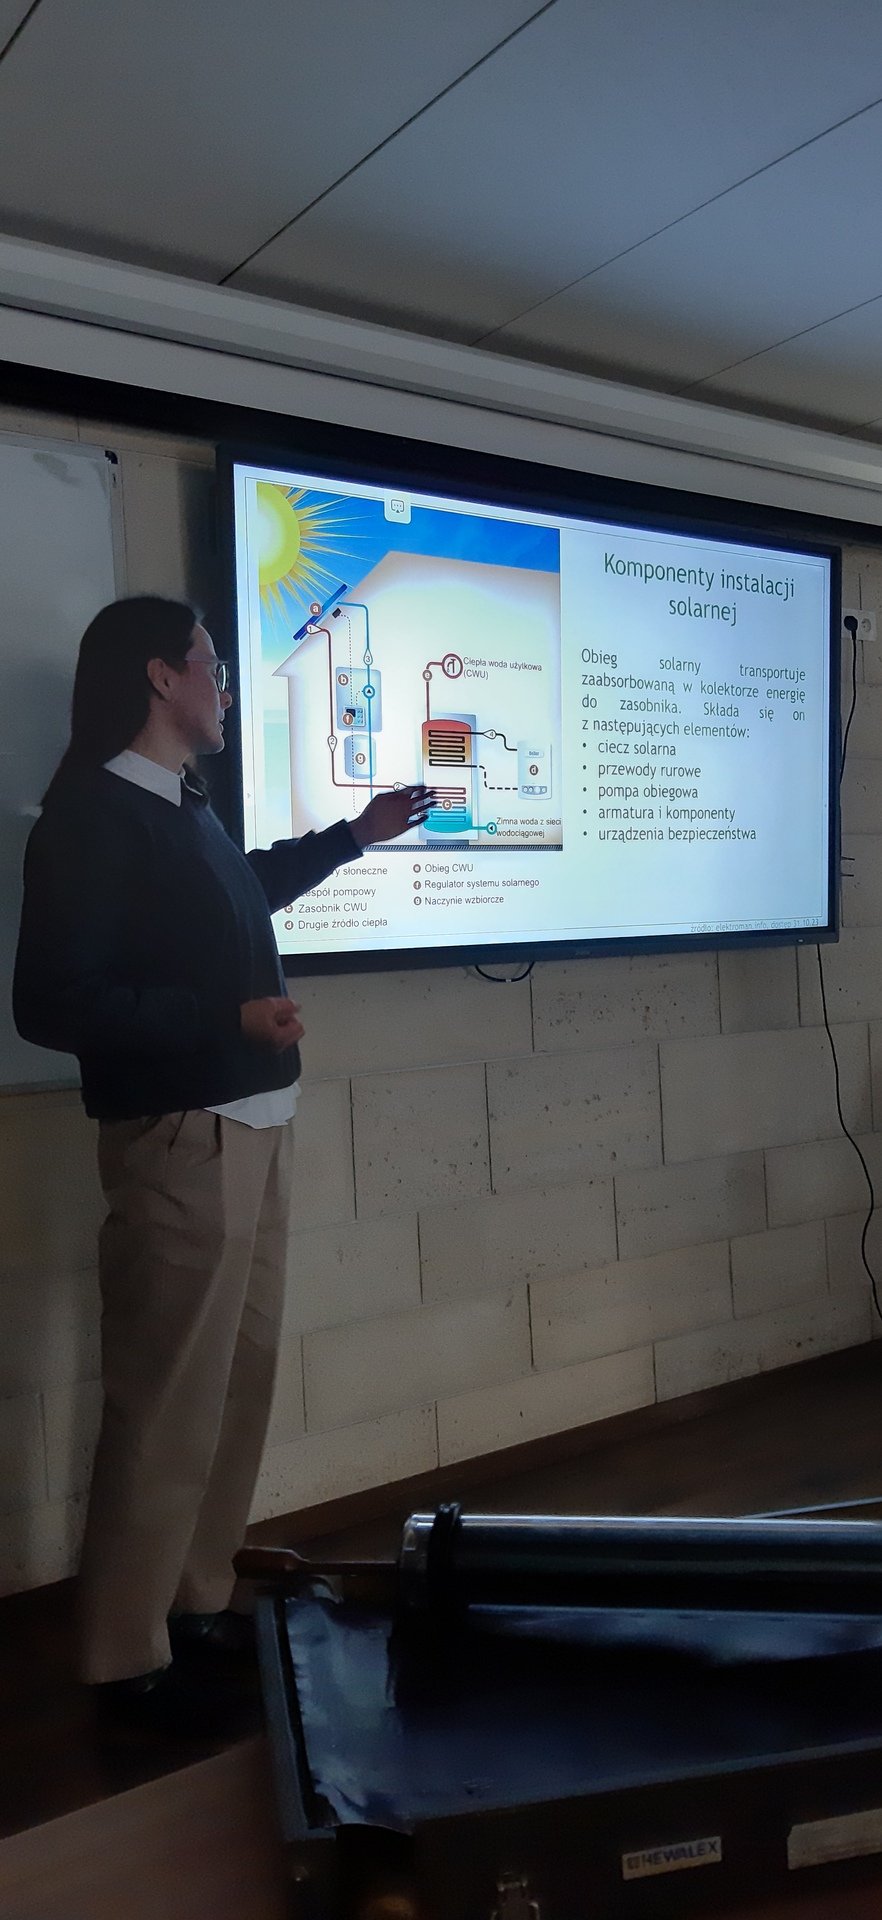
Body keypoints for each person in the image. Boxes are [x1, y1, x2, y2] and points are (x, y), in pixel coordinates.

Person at [13, 596, 432, 1735]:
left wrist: (353, 837)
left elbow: (240, 892)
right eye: (213, 664)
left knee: (232, 1392)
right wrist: (226, 1021)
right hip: (182, 1141)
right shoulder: (92, 814)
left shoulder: (180, 804)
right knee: (165, 1403)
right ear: (161, 677)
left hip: (252, 1127)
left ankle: (194, 1605)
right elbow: (50, 1003)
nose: (227, 686)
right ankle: (121, 1658)